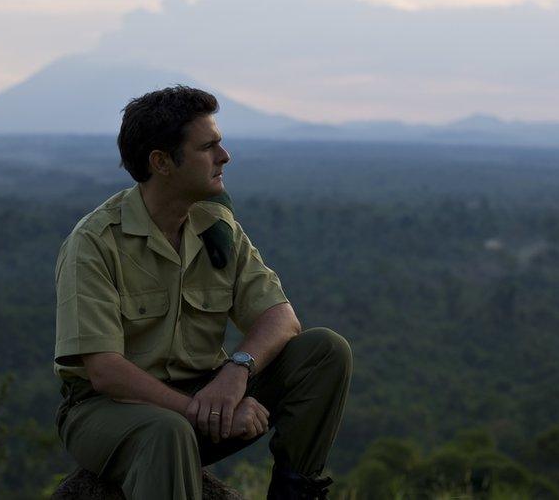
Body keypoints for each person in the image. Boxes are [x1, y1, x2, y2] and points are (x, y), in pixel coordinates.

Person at [53, 85, 352, 500]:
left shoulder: (216, 224)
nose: (224, 157)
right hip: (112, 411)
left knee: (324, 351)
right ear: (162, 162)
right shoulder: (96, 242)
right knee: (167, 430)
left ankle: (295, 493)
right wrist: (201, 410)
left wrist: (235, 373)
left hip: (206, 398)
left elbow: (281, 318)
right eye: (208, 147)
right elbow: (105, 371)